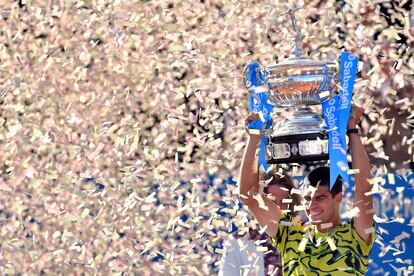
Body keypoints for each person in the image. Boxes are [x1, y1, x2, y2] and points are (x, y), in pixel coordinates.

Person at [238, 106, 375, 275]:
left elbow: (364, 186)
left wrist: (352, 130)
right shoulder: (290, 232)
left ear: (338, 198)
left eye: (320, 197)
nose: (311, 204)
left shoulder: (356, 235)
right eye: (308, 198)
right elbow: (248, 194)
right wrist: (253, 138)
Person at [220, 171, 301, 276]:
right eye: (271, 202)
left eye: (284, 202)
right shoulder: (237, 241)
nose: (278, 209)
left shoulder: (304, 235)